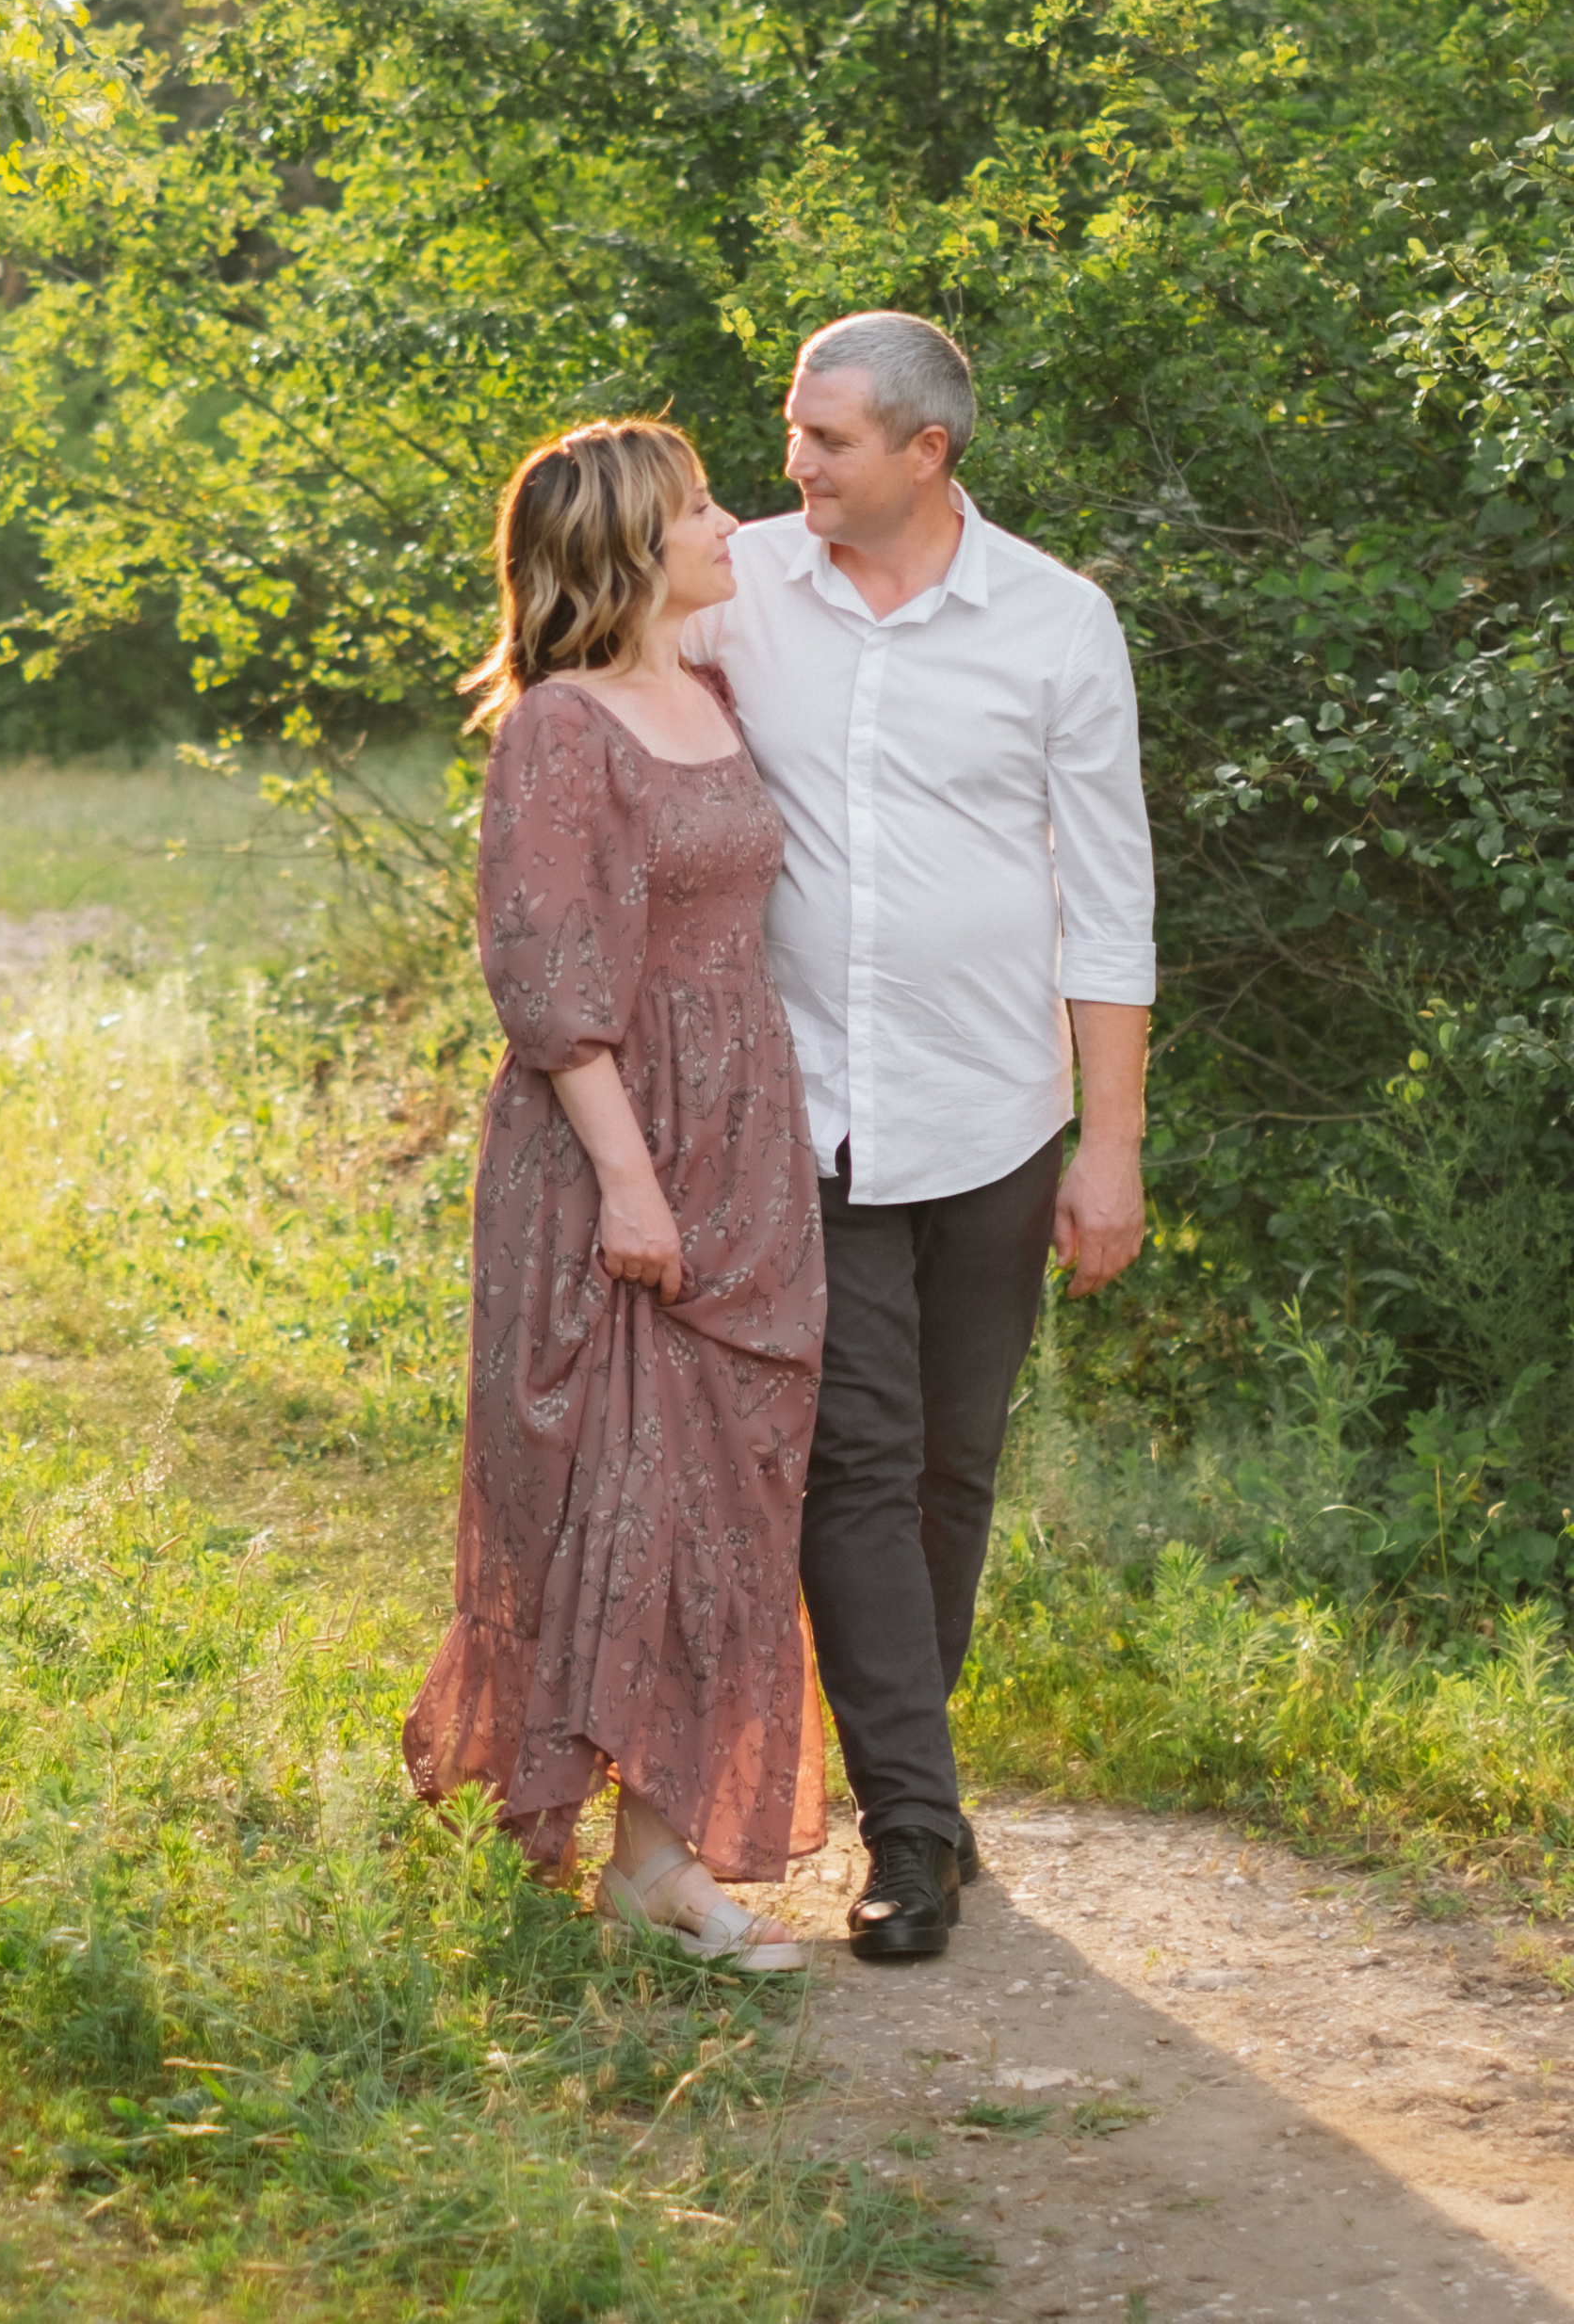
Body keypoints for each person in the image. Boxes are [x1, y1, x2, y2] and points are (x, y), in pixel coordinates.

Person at [686, 311, 1154, 1962]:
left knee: (956, 1463)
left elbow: (1109, 899)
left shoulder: (1056, 620)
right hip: (800, 1121)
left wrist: (1112, 1147)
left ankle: (915, 1777)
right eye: (794, 429)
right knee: (857, 1464)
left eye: (827, 438)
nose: (794, 461)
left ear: (926, 452)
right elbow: (601, 695)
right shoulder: (735, 585)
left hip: (994, 1117)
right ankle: (908, 1828)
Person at [404, 418, 826, 1971]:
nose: (730, 526)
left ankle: (657, 1856)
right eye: (700, 508)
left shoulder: (714, 696)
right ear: (633, 547)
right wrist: (634, 1191)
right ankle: (637, 1858)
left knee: (728, 1498)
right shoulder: (559, 730)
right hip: (610, 1155)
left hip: (744, 1139)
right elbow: (547, 980)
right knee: (623, 1492)